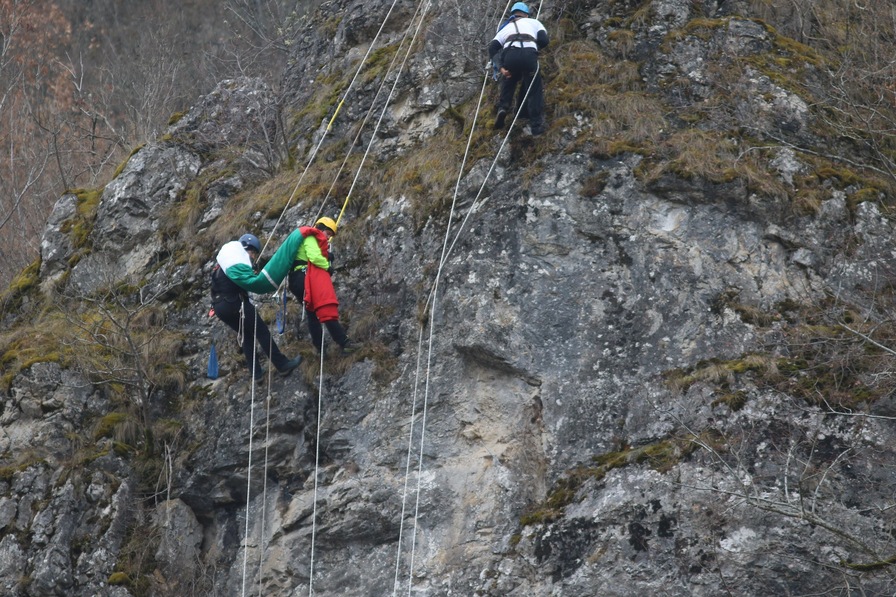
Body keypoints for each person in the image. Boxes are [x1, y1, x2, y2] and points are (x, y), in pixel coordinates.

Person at [211, 233, 302, 380]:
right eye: (252, 252)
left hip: (220, 307)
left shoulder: (222, 265)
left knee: (247, 336)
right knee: (262, 332)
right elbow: (249, 283)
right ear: (245, 249)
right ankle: (282, 365)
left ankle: (256, 374)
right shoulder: (238, 262)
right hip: (235, 303)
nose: (253, 257)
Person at [287, 217, 356, 356]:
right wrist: (327, 267)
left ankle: (320, 349)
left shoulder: (307, 238)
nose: (328, 238)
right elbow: (314, 257)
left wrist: (327, 256)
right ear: (321, 228)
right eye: (328, 233)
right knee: (324, 308)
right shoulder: (311, 236)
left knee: (312, 314)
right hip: (304, 278)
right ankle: (344, 343)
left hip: (296, 280)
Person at [487, 2, 549, 135]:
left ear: (512, 14)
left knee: (509, 78)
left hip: (511, 55)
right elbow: (544, 40)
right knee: (534, 89)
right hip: (528, 55)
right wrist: (534, 48)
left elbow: (492, 47)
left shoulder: (506, 27)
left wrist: (501, 67)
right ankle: (536, 126)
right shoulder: (534, 22)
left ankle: (503, 107)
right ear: (526, 14)